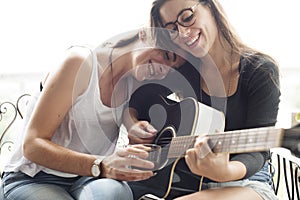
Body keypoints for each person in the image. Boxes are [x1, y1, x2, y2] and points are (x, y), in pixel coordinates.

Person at [0, 28, 185, 200]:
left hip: (87, 179)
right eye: (167, 55)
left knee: (114, 193)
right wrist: (101, 165)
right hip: (33, 177)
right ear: (145, 33)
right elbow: (32, 145)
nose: (164, 70)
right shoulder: (80, 62)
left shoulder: (134, 82)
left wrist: (133, 124)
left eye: (172, 69)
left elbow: (127, 111)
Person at [125, 0, 281, 200]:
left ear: (211, 7)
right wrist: (134, 124)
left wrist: (224, 172)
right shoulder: (184, 69)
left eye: (187, 17)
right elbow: (140, 99)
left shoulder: (260, 71)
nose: (182, 33)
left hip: (246, 182)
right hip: (188, 182)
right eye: (172, 29)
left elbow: (257, 152)